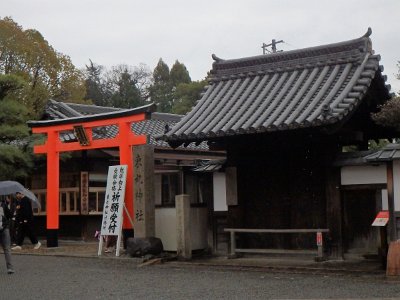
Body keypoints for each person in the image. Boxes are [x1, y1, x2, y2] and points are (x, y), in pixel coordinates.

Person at [0, 197, 15, 274]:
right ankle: (10, 268)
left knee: (7, 248)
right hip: (4, 228)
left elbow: (10, 215)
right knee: (7, 249)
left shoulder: (3, 204)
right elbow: (10, 215)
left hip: (4, 228)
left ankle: (10, 268)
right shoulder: (3, 204)